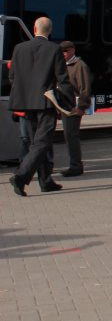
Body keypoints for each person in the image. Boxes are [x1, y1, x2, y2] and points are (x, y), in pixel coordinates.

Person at [8, 17, 75, 196]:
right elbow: (62, 78)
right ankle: (21, 176)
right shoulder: (54, 49)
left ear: (34, 28)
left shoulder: (19, 48)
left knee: (36, 143)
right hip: (46, 102)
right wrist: (70, 103)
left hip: (26, 103)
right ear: (50, 31)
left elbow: (12, 76)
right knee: (42, 142)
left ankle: (46, 181)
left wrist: (24, 94)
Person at [58, 41, 92, 177]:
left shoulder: (79, 65)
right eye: (61, 52)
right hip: (62, 104)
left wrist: (81, 107)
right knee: (68, 135)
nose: (63, 54)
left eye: (65, 51)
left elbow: (85, 88)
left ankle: (76, 166)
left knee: (71, 135)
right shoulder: (62, 65)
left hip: (73, 106)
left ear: (72, 50)